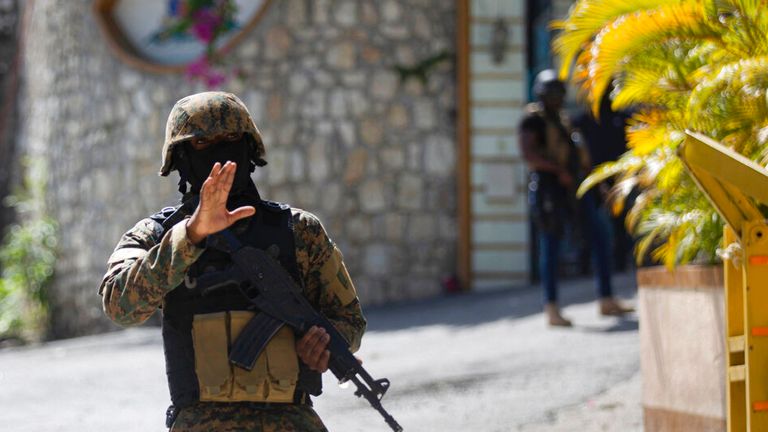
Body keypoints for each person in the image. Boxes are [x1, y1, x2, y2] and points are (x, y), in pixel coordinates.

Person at [98, 91, 366, 431]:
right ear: (180, 157)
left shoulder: (298, 231)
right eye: (202, 144)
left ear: (249, 149)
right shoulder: (155, 235)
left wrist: (324, 344)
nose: (220, 152)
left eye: (231, 139)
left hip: (290, 420)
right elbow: (119, 306)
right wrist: (191, 235)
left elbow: (349, 319)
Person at [519, 70, 631, 327]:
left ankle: (606, 298)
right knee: (550, 248)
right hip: (550, 192)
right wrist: (557, 171)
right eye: (552, 94)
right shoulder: (532, 121)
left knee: (600, 237)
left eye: (559, 93)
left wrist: (594, 182)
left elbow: (578, 156)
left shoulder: (563, 120)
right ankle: (551, 307)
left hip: (574, 189)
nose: (557, 98)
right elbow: (529, 155)